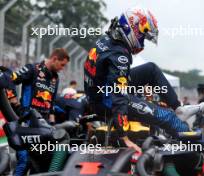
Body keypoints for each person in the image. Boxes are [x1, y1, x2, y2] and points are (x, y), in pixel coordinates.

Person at [83, 8, 190, 152]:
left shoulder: (108, 39)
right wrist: (124, 137)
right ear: (132, 29)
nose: (142, 42)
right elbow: (119, 95)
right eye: (143, 36)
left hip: (101, 91)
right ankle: (197, 148)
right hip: (106, 100)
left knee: (151, 69)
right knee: (168, 117)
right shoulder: (119, 54)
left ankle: (178, 107)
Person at [0, 48, 69, 175]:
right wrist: (12, 98)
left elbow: (51, 104)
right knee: (25, 159)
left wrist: (52, 126)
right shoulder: (33, 68)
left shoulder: (55, 78)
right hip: (27, 123)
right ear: (54, 59)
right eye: (62, 64)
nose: (62, 68)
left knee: (42, 162)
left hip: (44, 125)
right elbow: (10, 78)